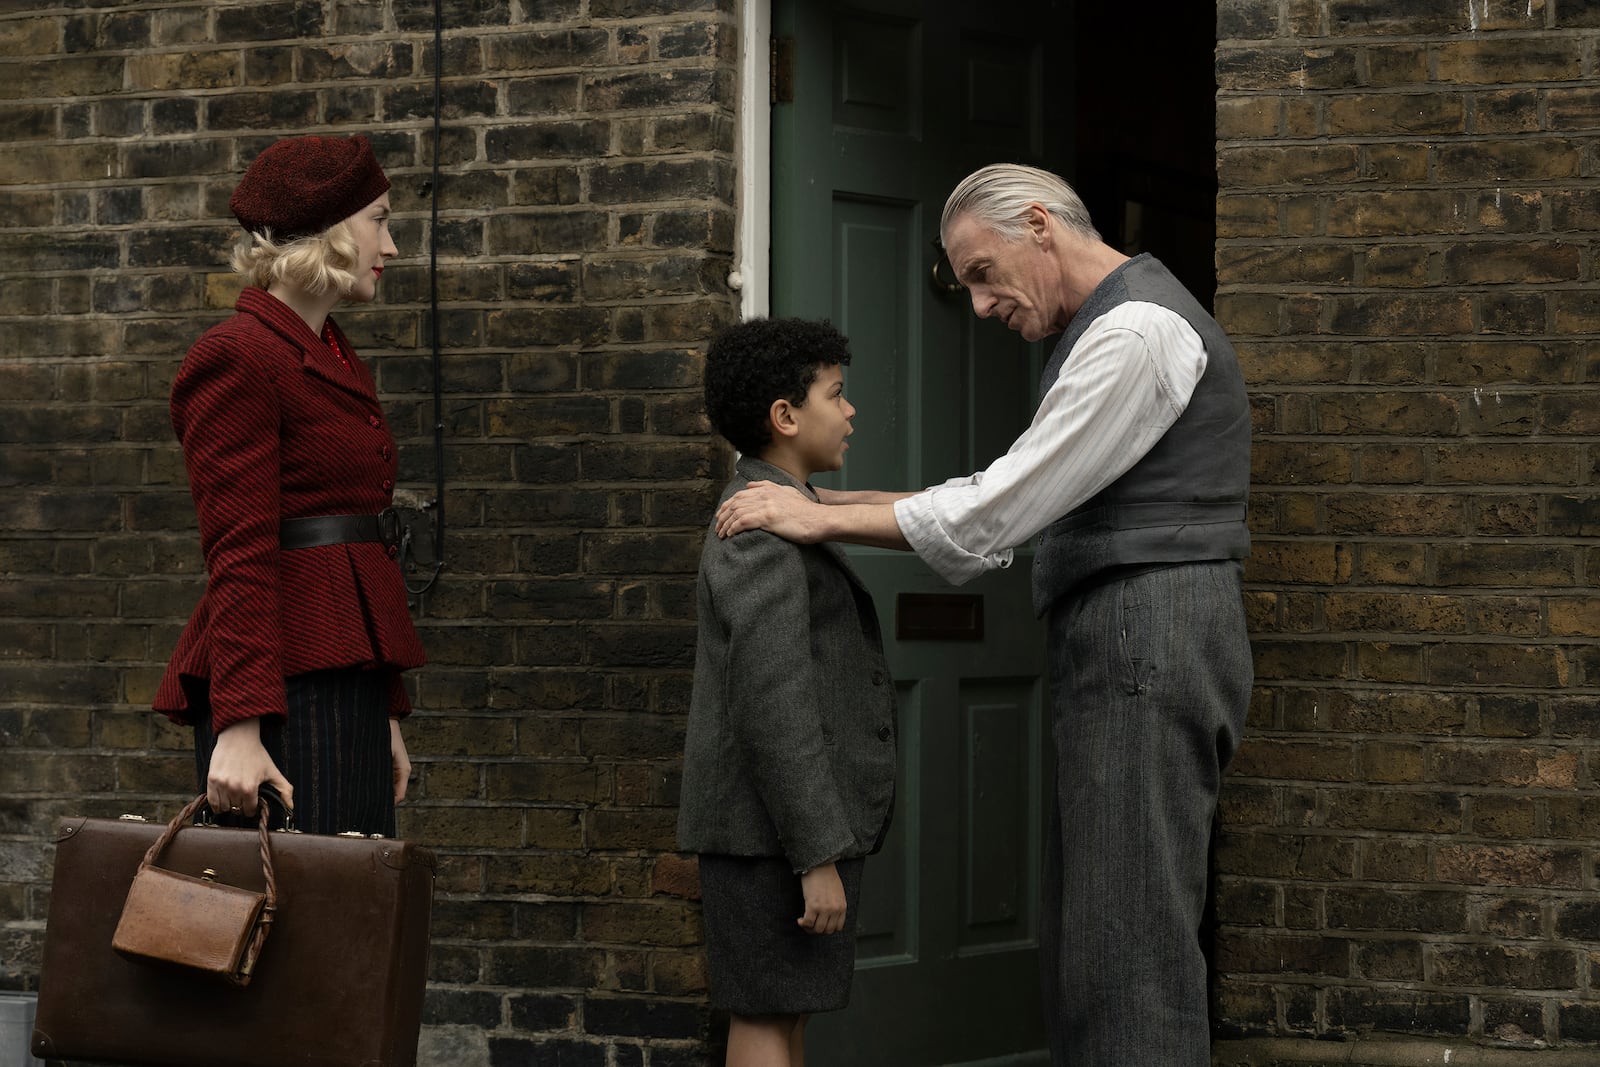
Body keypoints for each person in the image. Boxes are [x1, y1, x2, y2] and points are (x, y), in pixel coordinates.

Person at [714, 164, 1252, 1067]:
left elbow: (998, 506)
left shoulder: (1138, 333)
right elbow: (990, 492)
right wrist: (822, 506)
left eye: (980, 272)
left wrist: (816, 514)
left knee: (1127, 950)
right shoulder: (1105, 331)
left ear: (1039, 225)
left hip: (1147, 634)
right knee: (1094, 939)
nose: (978, 303)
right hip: (1130, 636)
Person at [152, 134, 426, 837]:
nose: (390, 246)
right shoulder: (237, 356)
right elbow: (239, 552)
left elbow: (361, 544)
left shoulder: (331, 352)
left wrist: (384, 709)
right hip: (283, 695)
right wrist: (240, 725)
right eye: (380, 219)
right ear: (332, 231)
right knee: (292, 929)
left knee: (356, 917)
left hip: (345, 683)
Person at [678, 318, 897, 1067]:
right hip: (769, 836)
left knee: (788, 1016)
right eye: (837, 394)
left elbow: (902, 507)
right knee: (768, 1019)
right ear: (785, 416)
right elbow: (772, 706)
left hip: (780, 831)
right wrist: (816, 855)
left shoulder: (789, 506)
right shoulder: (758, 530)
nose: (851, 410)